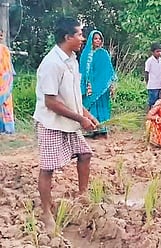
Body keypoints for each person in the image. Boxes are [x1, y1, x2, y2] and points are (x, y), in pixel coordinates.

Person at [33, 17, 98, 233]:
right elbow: (50, 102)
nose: (82, 38)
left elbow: (73, 96)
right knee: (48, 168)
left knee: (85, 154)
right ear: (67, 37)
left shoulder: (72, 59)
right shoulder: (51, 63)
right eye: (79, 34)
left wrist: (86, 113)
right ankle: (46, 211)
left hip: (69, 121)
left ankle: (82, 196)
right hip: (52, 123)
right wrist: (80, 119)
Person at [79, 30, 116, 138]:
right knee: (91, 105)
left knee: (102, 106)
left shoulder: (104, 53)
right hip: (90, 86)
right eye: (95, 38)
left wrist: (110, 84)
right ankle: (92, 129)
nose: (98, 41)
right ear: (91, 40)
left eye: (99, 39)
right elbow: (82, 71)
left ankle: (102, 128)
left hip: (102, 86)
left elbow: (108, 70)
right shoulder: (85, 54)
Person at [0, 29, 15, 134]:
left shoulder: (4, 50)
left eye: (1, 34)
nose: (0, 36)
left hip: (5, 81)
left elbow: (8, 69)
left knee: (6, 105)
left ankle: (7, 130)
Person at [144, 42, 161, 109]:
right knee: (153, 101)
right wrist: (147, 82)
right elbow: (146, 72)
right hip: (152, 85)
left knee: (160, 101)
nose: (159, 53)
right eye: (157, 51)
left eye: (160, 51)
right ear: (152, 52)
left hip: (160, 85)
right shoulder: (149, 61)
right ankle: (150, 114)